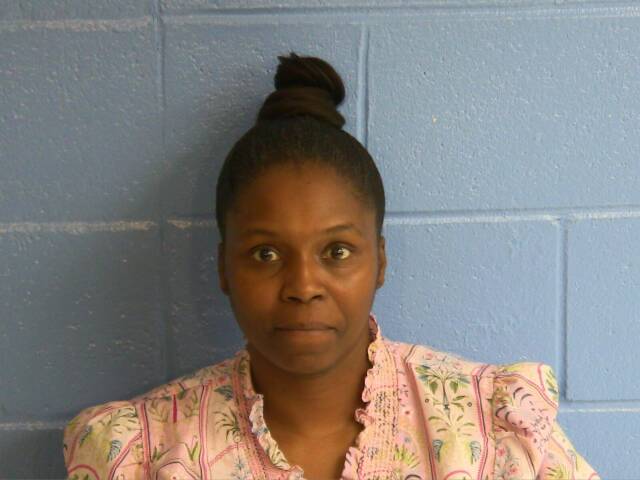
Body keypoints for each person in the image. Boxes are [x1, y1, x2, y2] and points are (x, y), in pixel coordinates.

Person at [63, 53, 599, 480]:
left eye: (337, 251)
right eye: (266, 254)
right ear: (224, 268)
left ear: (379, 261)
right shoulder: (142, 451)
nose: (302, 286)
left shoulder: (491, 429)